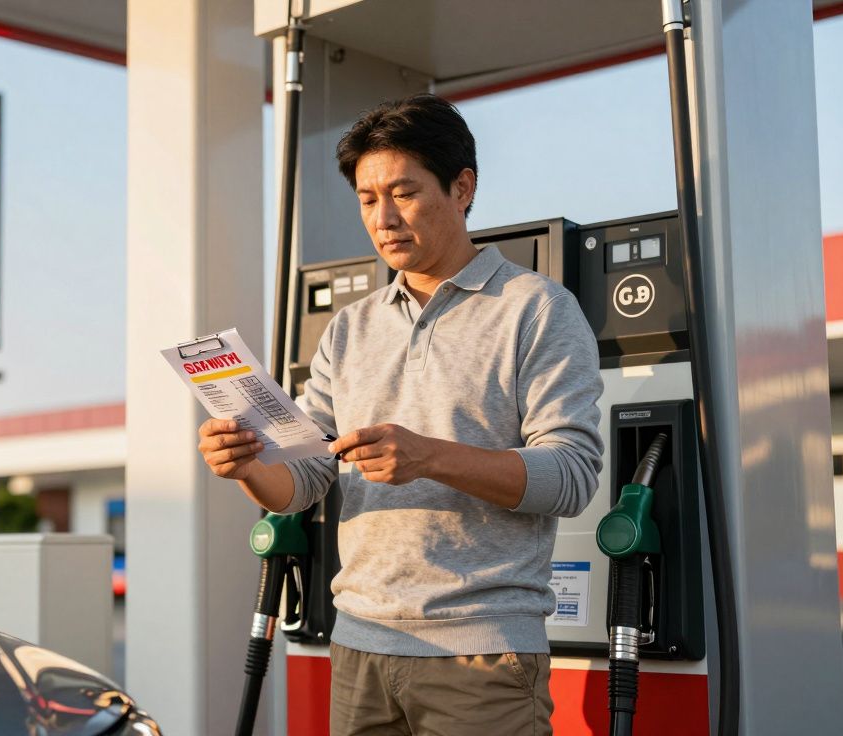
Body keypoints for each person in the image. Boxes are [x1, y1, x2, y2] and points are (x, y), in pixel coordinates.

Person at [197, 94, 603, 735]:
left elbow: (574, 478)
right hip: (360, 647)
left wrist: (431, 456)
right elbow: (305, 480)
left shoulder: (536, 309)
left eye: (404, 193)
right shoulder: (349, 329)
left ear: (462, 188)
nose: (383, 218)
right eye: (367, 199)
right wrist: (248, 466)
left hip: (482, 655)